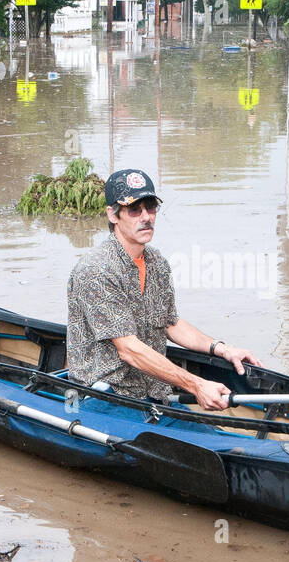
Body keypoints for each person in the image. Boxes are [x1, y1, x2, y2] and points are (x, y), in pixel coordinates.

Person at [67, 169, 264, 411]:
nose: (146, 217)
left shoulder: (156, 262)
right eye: (134, 210)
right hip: (102, 394)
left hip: (153, 390)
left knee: (210, 436)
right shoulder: (97, 269)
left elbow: (170, 323)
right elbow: (128, 349)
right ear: (113, 215)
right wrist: (196, 385)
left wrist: (223, 349)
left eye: (151, 208)